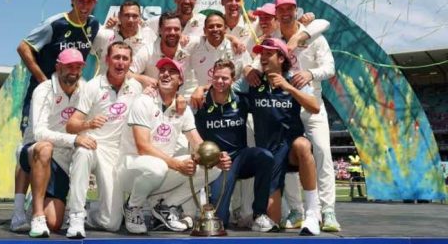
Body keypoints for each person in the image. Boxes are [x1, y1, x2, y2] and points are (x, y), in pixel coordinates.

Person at [11, 0, 100, 232]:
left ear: (95, 3)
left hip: (68, 92)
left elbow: (113, 46)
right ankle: (20, 211)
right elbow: (23, 47)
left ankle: (56, 200)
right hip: (47, 91)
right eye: (80, 0)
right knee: (36, 146)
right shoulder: (56, 23)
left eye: (90, 1)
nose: (84, 5)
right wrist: (43, 80)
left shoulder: (94, 25)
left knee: (55, 222)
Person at [117, 58, 231, 234]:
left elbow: (197, 143)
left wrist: (217, 157)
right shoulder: (143, 101)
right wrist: (176, 164)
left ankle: (166, 206)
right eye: (162, 70)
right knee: (157, 167)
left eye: (172, 71)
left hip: (162, 169)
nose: (165, 74)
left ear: (180, 81)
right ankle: (133, 206)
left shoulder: (183, 108)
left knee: (213, 168)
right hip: (132, 169)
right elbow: (143, 147)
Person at [238, 38, 322, 235]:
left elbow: (315, 107)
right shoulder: (253, 80)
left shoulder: (294, 79)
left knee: (303, 145)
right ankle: (285, 211)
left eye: (269, 53)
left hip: (290, 147)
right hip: (269, 154)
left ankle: (312, 212)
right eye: (262, 54)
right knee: (270, 224)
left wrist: (288, 87)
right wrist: (201, 90)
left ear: (282, 58)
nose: (263, 57)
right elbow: (224, 90)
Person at [273, 0, 339, 232]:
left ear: (297, 11)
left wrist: (311, 74)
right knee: (287, 155)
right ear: (277, 13)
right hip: (285, 108)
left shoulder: (314, 35)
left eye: (290, 8)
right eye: (282, 9)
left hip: (312, 106)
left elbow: (330, 67)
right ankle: (296, 210)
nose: (286, 13)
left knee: (322, 151)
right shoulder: (274, 38)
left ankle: (328, 210)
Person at [64, 42, 143, 238]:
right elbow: (71, 124)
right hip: (93, 143)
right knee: (82, 152)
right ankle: (76, 215)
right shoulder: (92, 86)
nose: (120, 62)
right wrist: (88, 124)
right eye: (116, 57)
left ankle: (91, 214)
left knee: (112, 223)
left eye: (125, 58)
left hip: (116, 152)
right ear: (107, 60)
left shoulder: (136, 87)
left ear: (130, 62)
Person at [16, 48, 95, 238]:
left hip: (61, 159)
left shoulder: (85, 88)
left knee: (55, 223)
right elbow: (39, 133)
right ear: (58, 67)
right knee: (45, 147)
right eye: (69, 66)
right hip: (34, 150)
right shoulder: (43, 90)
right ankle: (34, 216)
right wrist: (74, 140)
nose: (73, 71)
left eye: (78, 66)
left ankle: (36, 198)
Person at [194, 59, 275, 232]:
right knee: (219, 219)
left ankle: (259, 214)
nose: (220, 82)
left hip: (240, 157)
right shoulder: (200, 102)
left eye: (225, 78)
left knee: (265, 157)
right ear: (211, 77)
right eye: (216, 77)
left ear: (233, 80)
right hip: (217, 163)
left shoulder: (242, 100)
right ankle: (222, 212)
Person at [94, 0, 153, 76]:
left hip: (135, 86)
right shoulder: (105, 34)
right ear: (119, 16)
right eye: (126, 15)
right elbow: (90, 51)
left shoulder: (148, 35)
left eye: (134, 16)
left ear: (140, 17)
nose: (130, 20)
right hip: (103, 85)